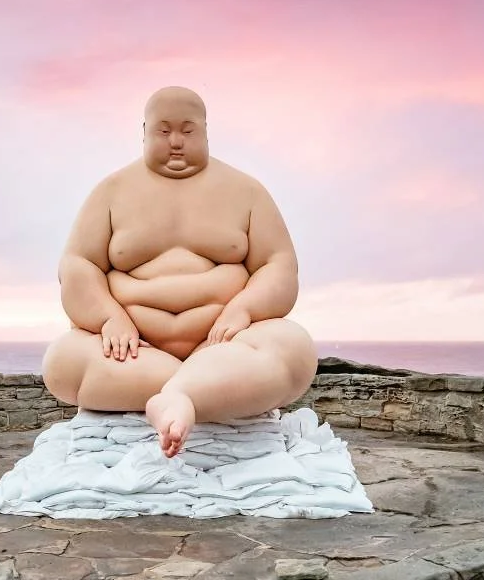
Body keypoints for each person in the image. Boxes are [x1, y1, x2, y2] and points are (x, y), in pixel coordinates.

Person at [42, 86, 319, 458]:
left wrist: (244, 309)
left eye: (187, 131)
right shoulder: (110, 192)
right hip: (136, 356)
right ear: (144, 132)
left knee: (294, 350)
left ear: (205, 131)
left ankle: (177, 397)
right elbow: (78, 265)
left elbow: (279, 264)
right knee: (62, 361)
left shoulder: (247, 192)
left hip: (226, 348)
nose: (176, 142)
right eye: (164, 131)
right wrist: (109, 318)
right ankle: (199, 391)